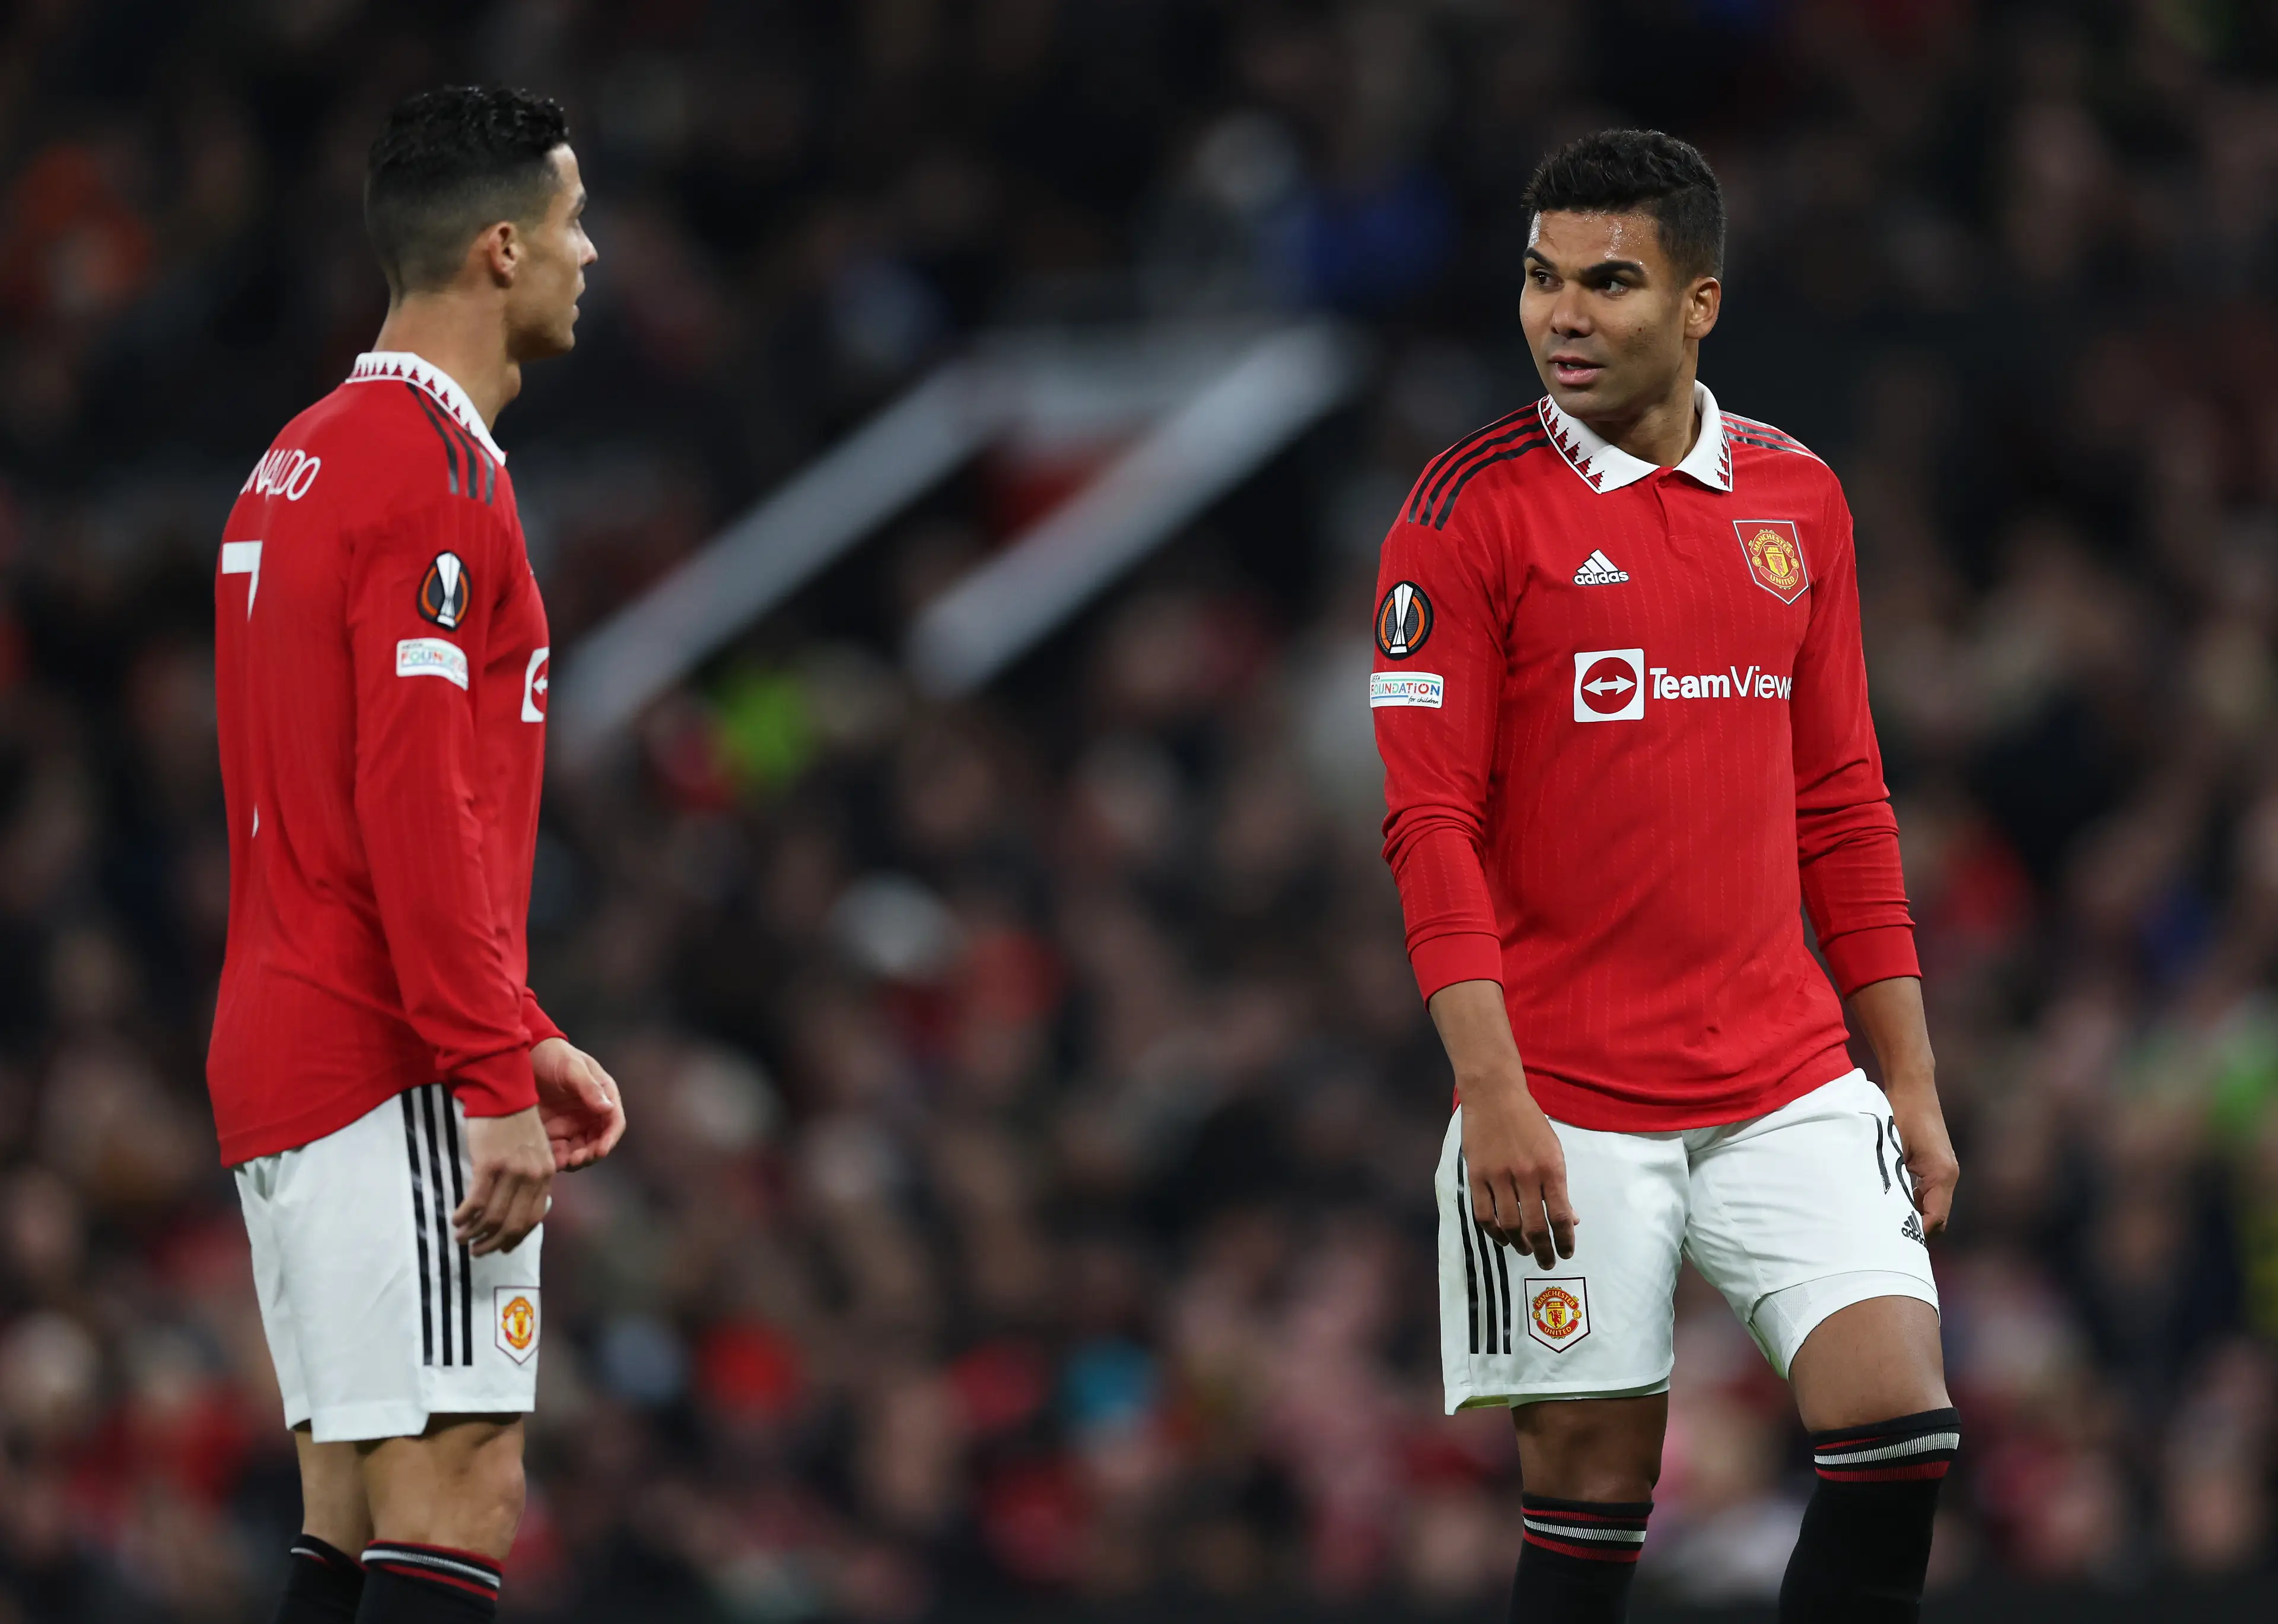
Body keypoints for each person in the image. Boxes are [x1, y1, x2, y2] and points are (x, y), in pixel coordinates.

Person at [1372, 129, 1960, 1623]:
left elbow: (1843, 800)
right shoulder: (1463, 517)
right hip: (1562, 1095)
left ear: (1700, 303)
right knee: (1589, 1519)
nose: (1563, 314)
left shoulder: (1798, 499)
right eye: (1541, 277)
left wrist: (1909, 1071)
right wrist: (1492, 1088)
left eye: (1610, 282)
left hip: (1785, 1069)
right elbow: (1428, 822)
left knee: (1901, 1435)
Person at [208, 86, 622, 1624]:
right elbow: (408, 801)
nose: (596, 255)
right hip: (383, 1054)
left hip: (284, 1044)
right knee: (461, 1486)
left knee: (350, 1503)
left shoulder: (295, 460)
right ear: (503, 250)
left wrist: (517, 1028)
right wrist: (485, 1070)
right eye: (577, 223)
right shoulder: (436, 481)